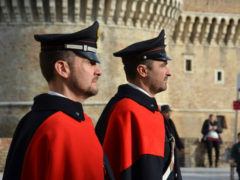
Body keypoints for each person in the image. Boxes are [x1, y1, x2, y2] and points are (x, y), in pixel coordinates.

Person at [3, 21, 114, 180]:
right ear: (62, 68)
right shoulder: (47, 127)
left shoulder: (82, 122)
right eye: (90, 63)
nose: (99, 71)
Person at [96, 30, 182, 180]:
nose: (169, 73)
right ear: (142, 71)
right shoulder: (127, 110)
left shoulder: (147, 109)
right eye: (162, 66)